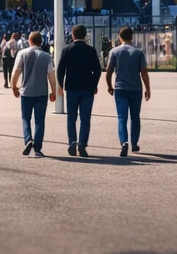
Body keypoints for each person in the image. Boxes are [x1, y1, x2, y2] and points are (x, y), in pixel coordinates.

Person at [57, 24, 103, 156]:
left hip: (71, 87)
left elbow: (60, 70)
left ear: (72, 35)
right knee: (85, 118)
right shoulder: (91, 50)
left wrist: (60, 85)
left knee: (71, 117)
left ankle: (72, 142)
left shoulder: (67, 49)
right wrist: (94, 84)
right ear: (85, 35)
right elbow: (98, 70)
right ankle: (82, 144)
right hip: (87, 87)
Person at [105, 25, 151, 156]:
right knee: (135, 117)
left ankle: (124, 142)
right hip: (136, 89)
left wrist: (109, 86)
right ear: (132, 37)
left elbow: (108, 72)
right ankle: (135, 143)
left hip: (120, 89)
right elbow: (144, 73)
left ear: (120, 37)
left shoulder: (114, 52)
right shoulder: (138, 52)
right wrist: (148, 89)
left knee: (122, 117)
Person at [10, 31, 57, 157]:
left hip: (26, 92)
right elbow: (51, 76)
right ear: (41, 42)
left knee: (26, 118)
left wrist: (13, 86)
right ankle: (37, 148)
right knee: (39, 121)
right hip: (41, 93)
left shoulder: (22, 54)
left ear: (29, 41)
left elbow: (16, 72)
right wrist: (53, 91)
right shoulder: (46, 56)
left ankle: (28, 139)